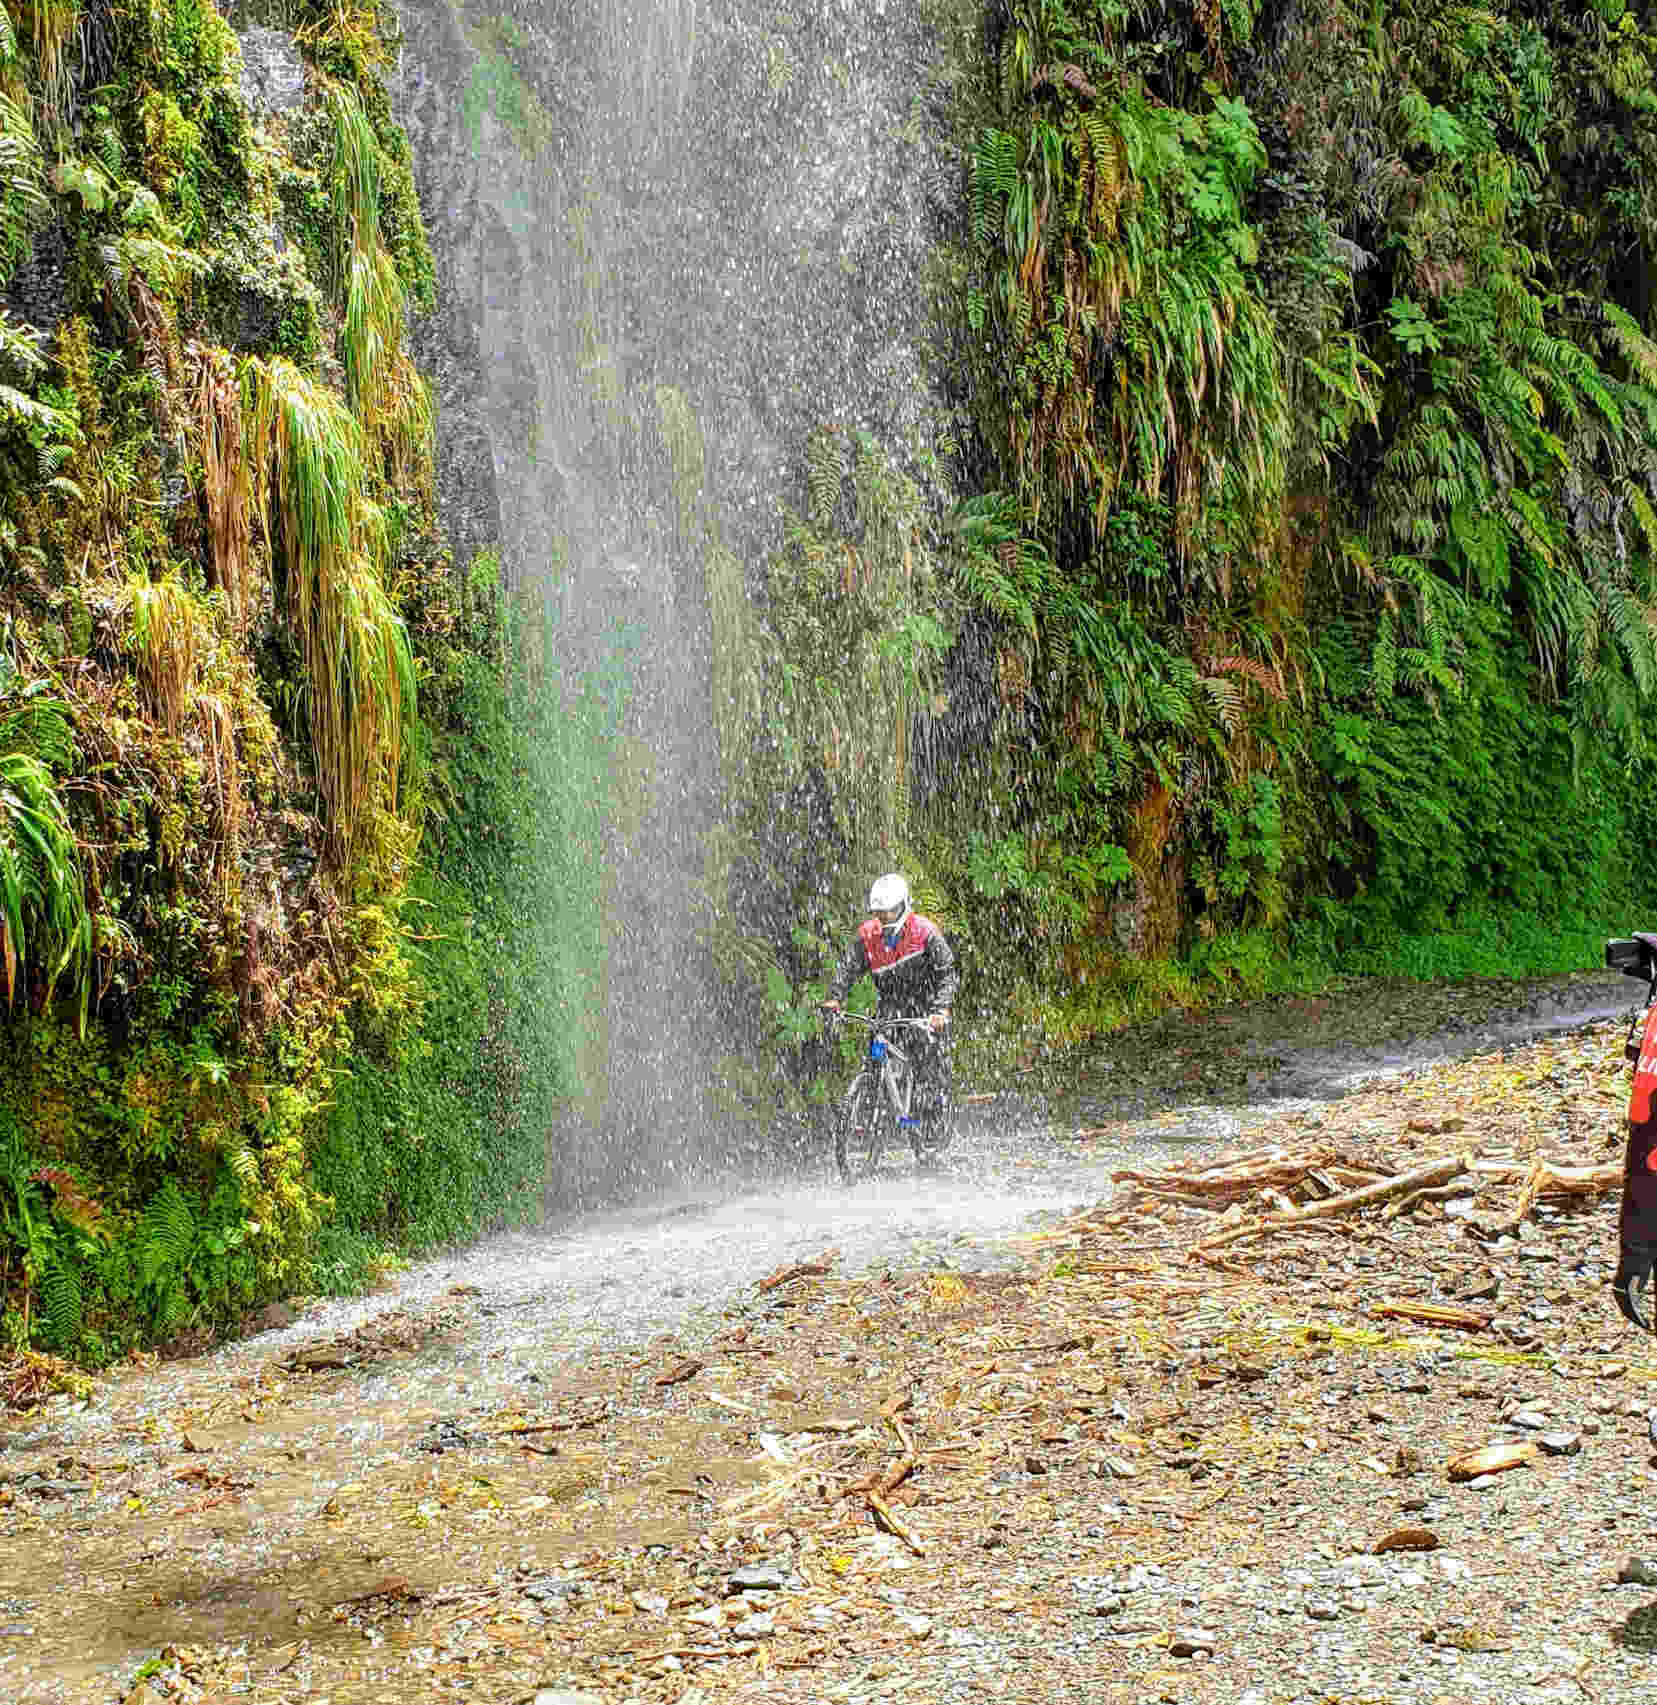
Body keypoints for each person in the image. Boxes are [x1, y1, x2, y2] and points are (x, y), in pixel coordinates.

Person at [822, 873, 959, 1150]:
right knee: (875, 1055)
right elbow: (847, 969)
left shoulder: (925, 932)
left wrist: (941, 1009)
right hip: (889, 1007)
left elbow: (947, 973)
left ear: (904, 906)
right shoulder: (867, 936)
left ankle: (930, 1124)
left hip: (925, 1009)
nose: (885, 918)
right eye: (879, 913)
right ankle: (870, 1117)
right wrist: (835, 998)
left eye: (890, 912)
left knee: (926, 1066)